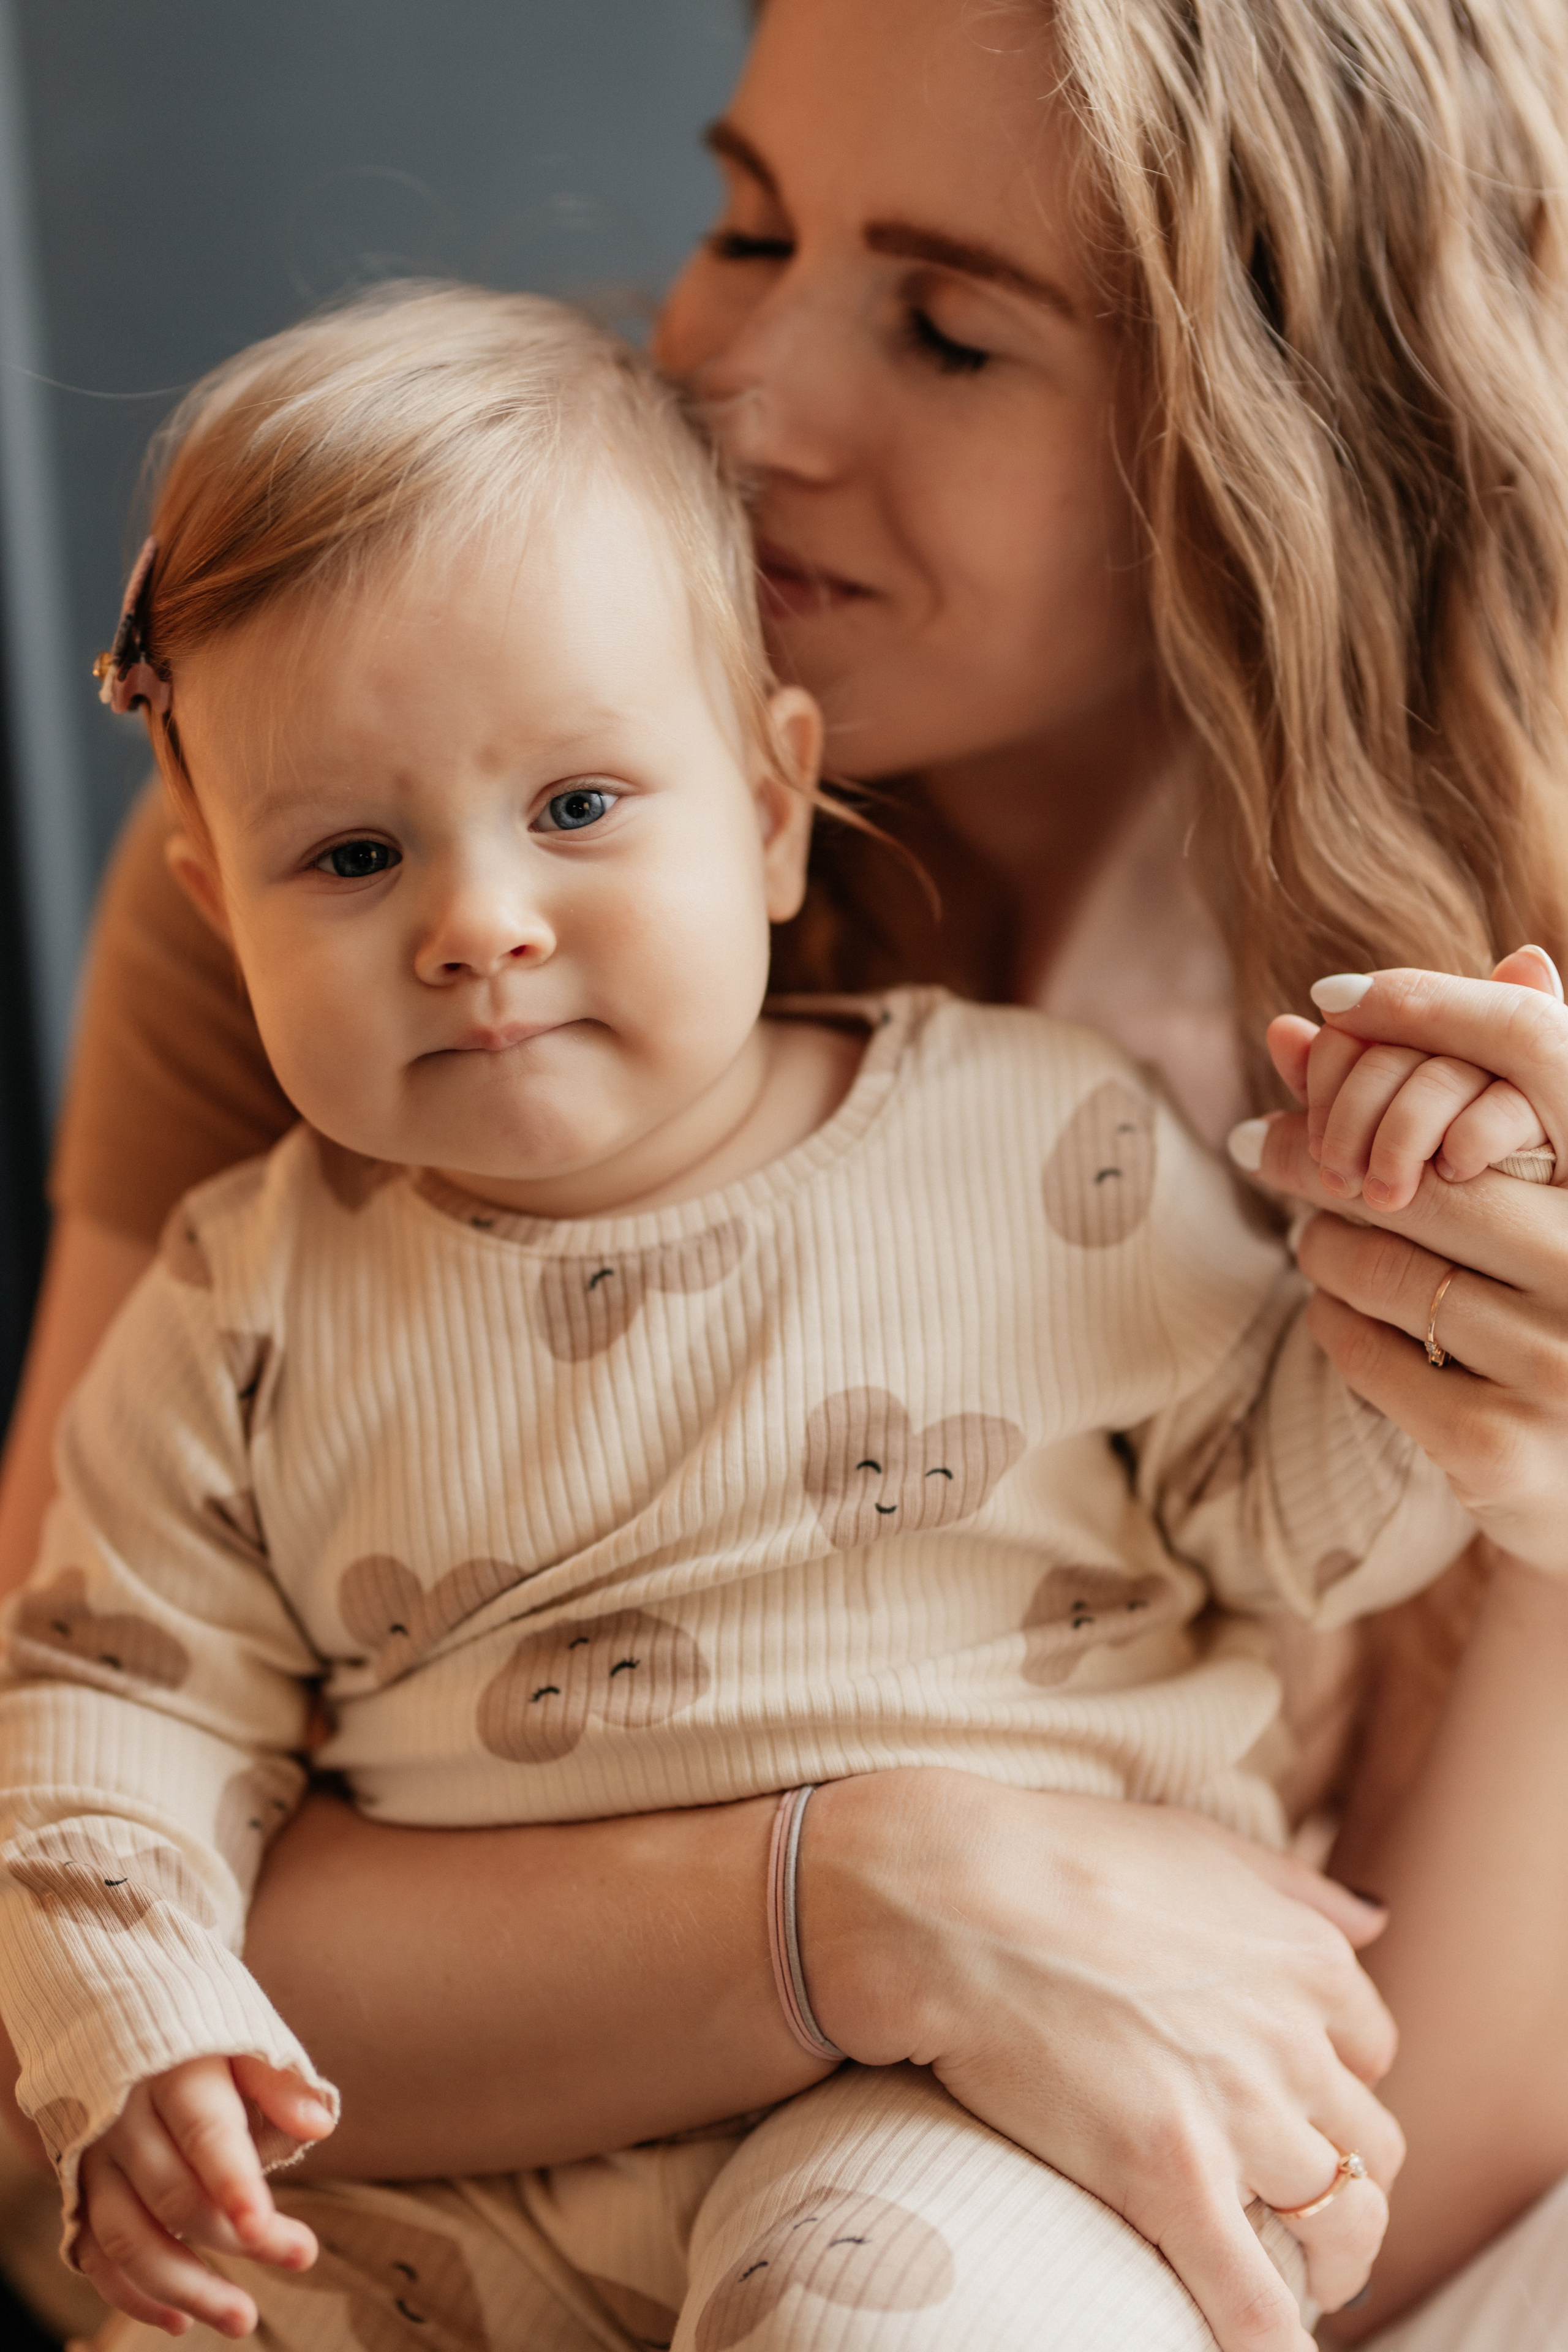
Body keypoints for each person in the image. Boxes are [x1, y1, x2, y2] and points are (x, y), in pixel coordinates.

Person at [4, 2, 1568, 2346]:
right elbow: (87, 1806)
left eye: (948, 329)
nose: (740, 402)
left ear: (1287, 436)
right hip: (416, 2207)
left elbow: (1371, 2163)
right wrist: (854, 1901)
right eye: (746, 219)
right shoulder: (355, 806)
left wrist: (1480, 1413)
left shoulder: (1192, 1131)